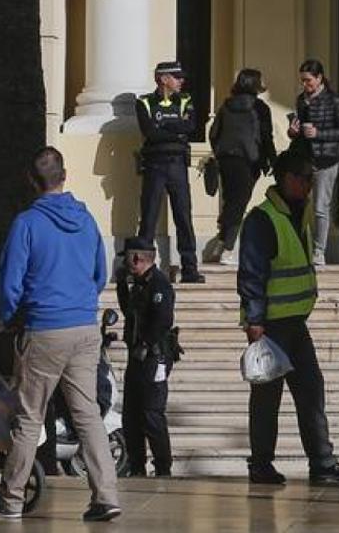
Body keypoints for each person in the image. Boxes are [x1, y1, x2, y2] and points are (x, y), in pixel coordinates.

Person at [0, 147, 121, 522]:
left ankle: (11, 497)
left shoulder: (27, 223)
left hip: (45, 329)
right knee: (87, 414)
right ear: (65, 175)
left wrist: (10, 317)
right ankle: (106, 495)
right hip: (85, 329)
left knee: (29, 416)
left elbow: (10, 282)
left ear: (30, 181)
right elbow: (99, 273)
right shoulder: (86, 220)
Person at [236, 147, 339, 487]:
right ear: (287, 179)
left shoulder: (299, 214)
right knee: (266, 400)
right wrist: (255, 322)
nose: (309, 185)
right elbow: (251, 274)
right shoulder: (263, 219)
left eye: (312, 178)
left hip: (295, 323)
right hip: (271, 327)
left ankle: (322, 463)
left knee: (311, 392)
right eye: (305, 178)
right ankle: (261, 465)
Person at [136, 62, 204, 284]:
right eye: (176, 77)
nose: (181, 81)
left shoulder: (185, 100)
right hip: (155, 164)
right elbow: (149, 132)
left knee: (183, 216)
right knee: (148, 217)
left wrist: (164, 126)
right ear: (163, 79)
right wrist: (175, 130)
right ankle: (142, 268)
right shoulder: (144, 102)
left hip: (177, 164)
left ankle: (190, 268)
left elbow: (190, 127)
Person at [115, 236, 177, 479]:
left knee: (151, 413)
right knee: (131, 414)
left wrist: (146, 344)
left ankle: (162, 466)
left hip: (153, 357)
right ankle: (136, 463)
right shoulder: (140, 284)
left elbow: (163, 320)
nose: (126, 263)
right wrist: (122, 285)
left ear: (138, 258)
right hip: (137, 356)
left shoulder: (158, 284)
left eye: (128, 258)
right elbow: (130, 312)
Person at [209, 69, 277, 265]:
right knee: (238, 204)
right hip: (249, 160)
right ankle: (227, 249)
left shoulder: (226, 106)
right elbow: (266, 137)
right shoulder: (260, 108)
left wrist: (220, 152)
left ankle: (222, 242)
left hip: (227, 159)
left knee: (231, 200)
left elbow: (214, 133)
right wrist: (271, 160)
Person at [287, 60, 339, 267]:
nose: (305, 85)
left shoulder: (333, 100)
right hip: (305, 158)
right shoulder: (301, 100)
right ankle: (298, 248)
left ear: (319, 78)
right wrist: (293, 132)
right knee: (298, 204)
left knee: (321, 207)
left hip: (327, 160)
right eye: (302, 81)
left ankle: (319, 251)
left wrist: (319, 133)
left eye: (308, 80)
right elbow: (297, 131)